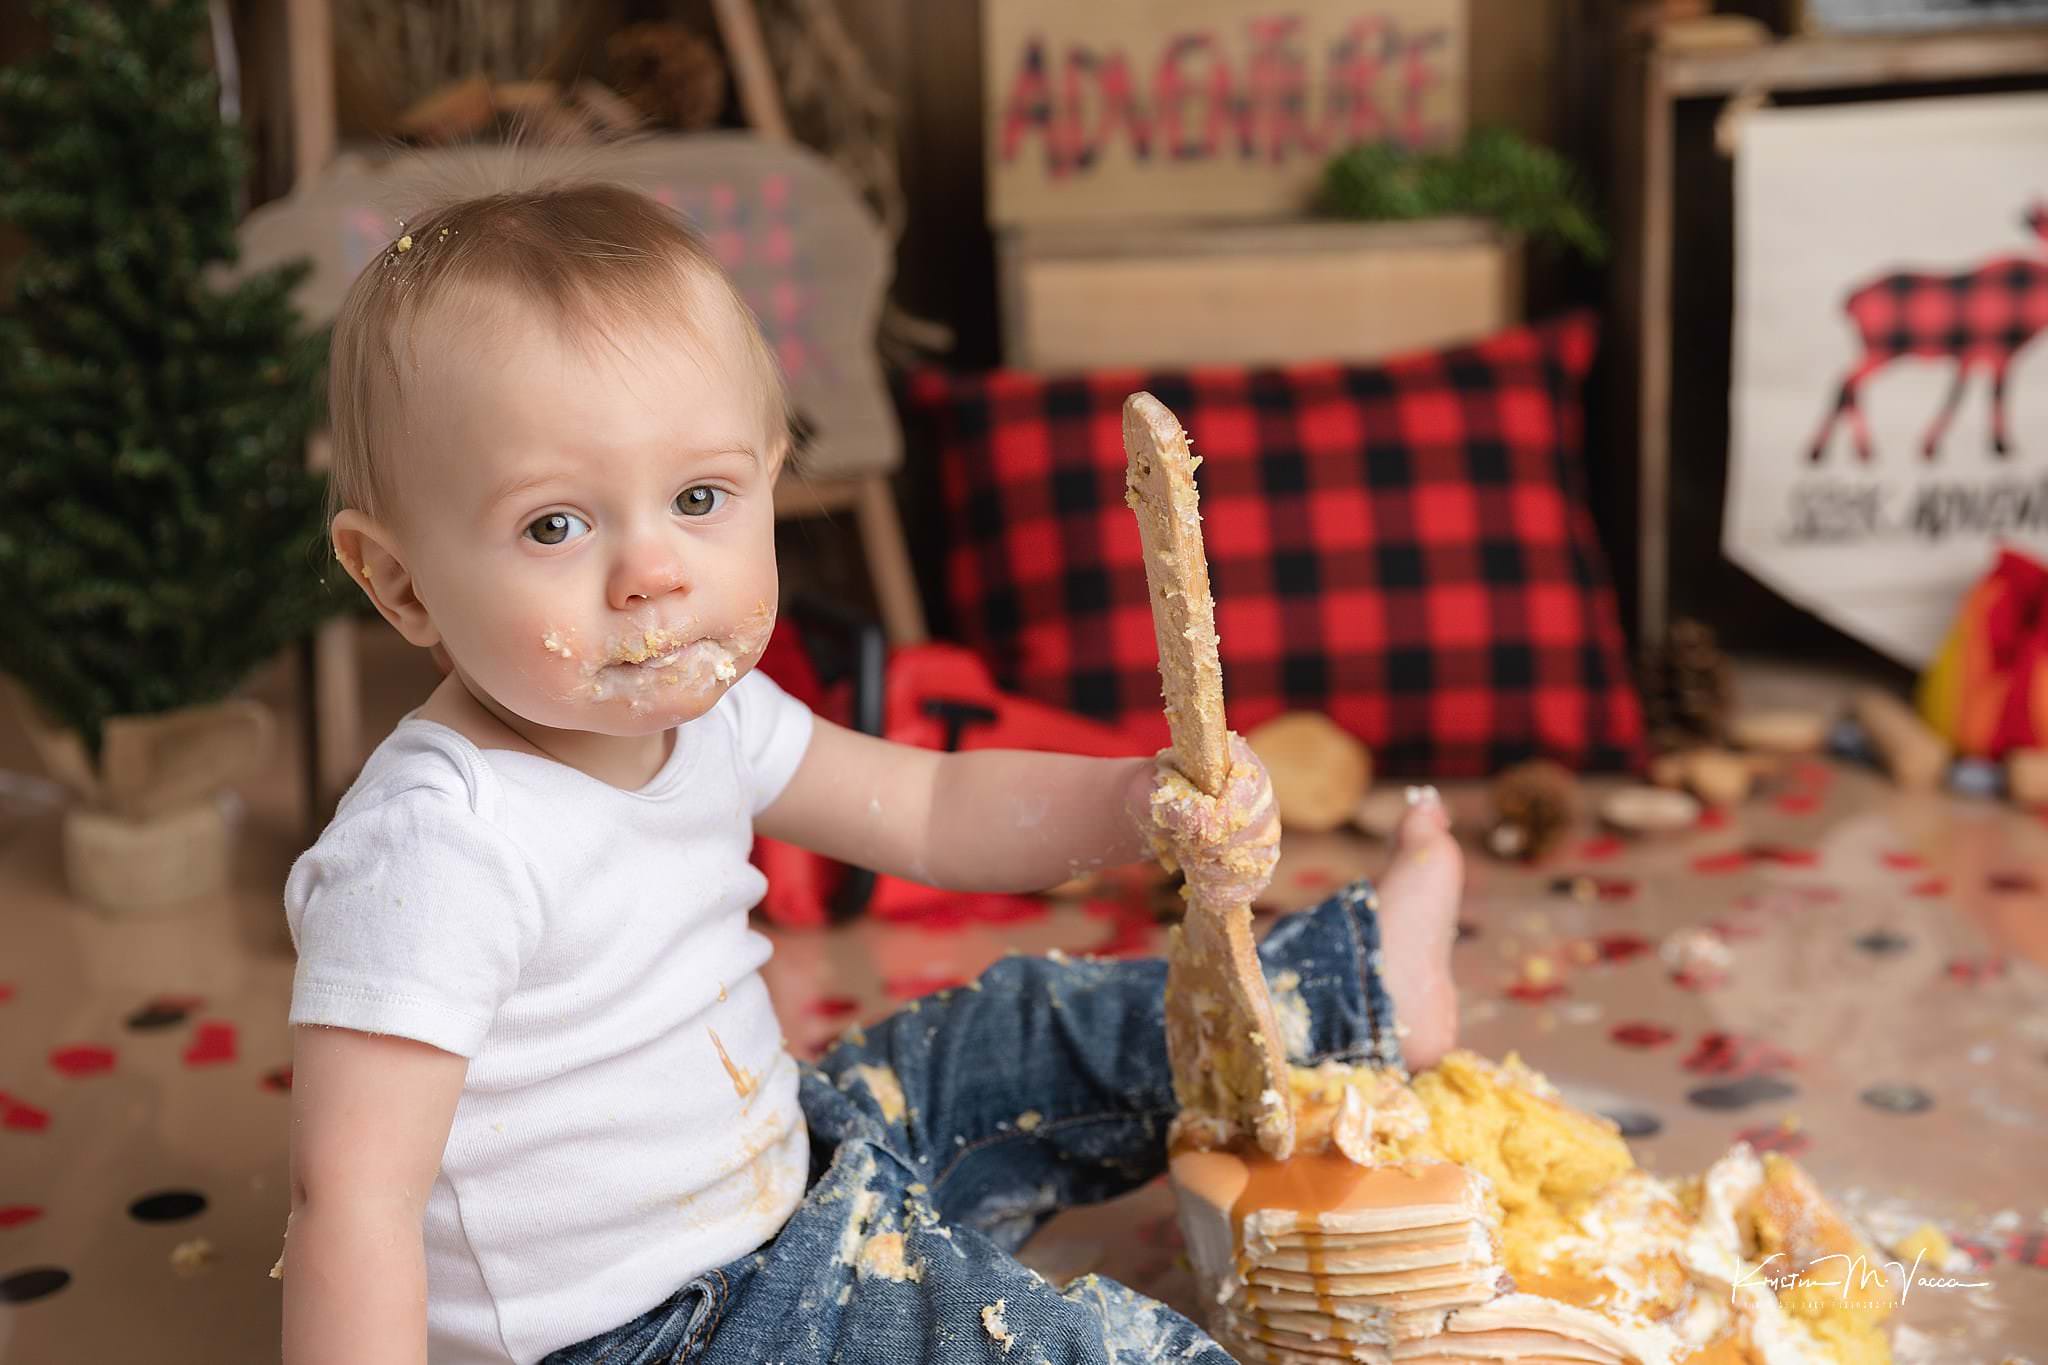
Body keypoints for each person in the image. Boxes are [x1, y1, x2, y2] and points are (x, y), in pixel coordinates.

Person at [279, 181, 1464, 1365]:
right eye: (554, 526)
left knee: (1018, 1028)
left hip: (792, 1167)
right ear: (400, 583)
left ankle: (1351, 992)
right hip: (661, 1334)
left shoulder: (713, 716)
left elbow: (933, 809)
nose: (652, 573)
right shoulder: (438, 846)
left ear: (768, 480)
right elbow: (353, 1202)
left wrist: (1133, 804)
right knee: (1063, 1347)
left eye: (698, 499)